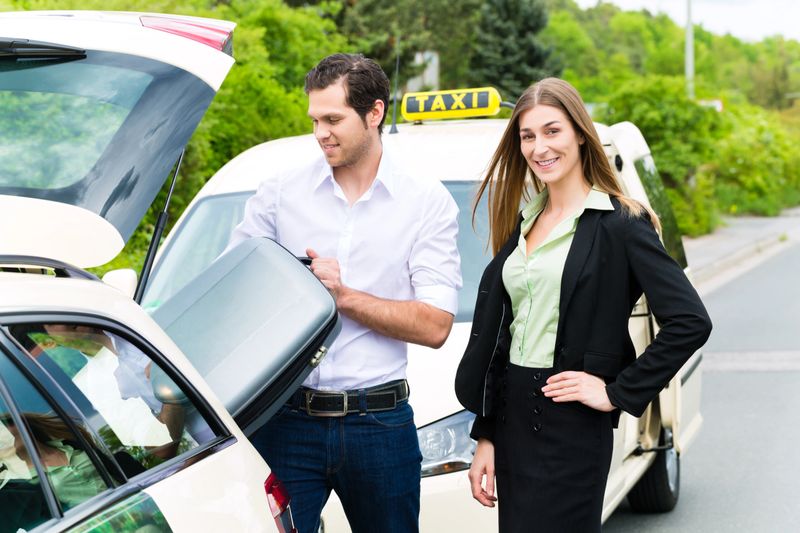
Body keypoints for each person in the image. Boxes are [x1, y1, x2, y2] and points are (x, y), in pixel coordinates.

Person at [454, 78, 712, 532]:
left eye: (552, 131)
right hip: (513, 421)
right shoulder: (525, 221)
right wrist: (487, 435)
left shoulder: (621, 224)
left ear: (579, 133)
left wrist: (616, 392)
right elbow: (505, 334)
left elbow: (690, 321)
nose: (539, 147)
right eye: (527, 136)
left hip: (572, 427)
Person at [226, 53, 462, 533]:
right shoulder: (279, 194)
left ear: (374, 113)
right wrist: (292, 280)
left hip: (380, 425)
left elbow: (436, 325)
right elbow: (235, 291)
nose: (320, 133)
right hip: (283, 422)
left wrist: (340, 296)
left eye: (333, 119)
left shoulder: (425, 202)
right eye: (315, 120)